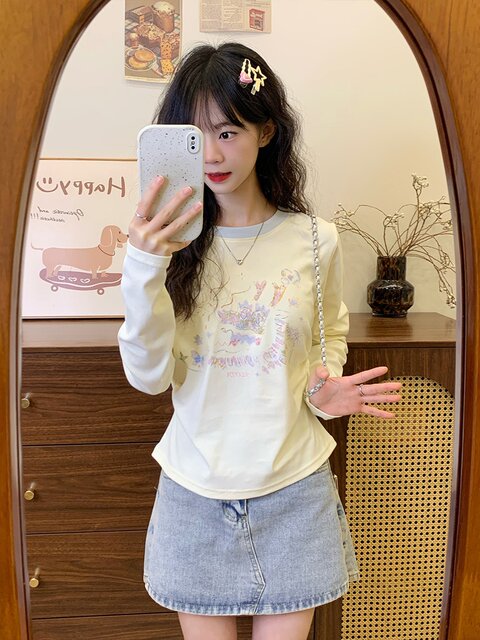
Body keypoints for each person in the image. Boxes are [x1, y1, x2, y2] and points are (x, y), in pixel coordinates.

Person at [118, 42, 401, 640]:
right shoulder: (164, 248)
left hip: (294, 493)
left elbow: (327, 340)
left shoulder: (316, 240)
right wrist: (143, 266)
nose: (212, 154)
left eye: (228, 132)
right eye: (195, 137)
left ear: (266, 131)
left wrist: (323, 393)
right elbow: (148, 377)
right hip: (194, 493)